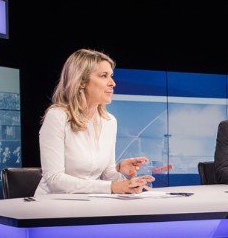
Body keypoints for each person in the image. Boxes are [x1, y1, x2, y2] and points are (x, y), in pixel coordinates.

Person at [35, 49, 155, 195]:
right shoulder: (58, 116)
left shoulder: (110, 121)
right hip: (52, 206)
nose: (112, 83)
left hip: (90, 203)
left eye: (111, 76)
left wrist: (130, 183)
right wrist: (111, 187)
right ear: (81, 82)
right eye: (104, 76)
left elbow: (108, 174)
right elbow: (54, 180)